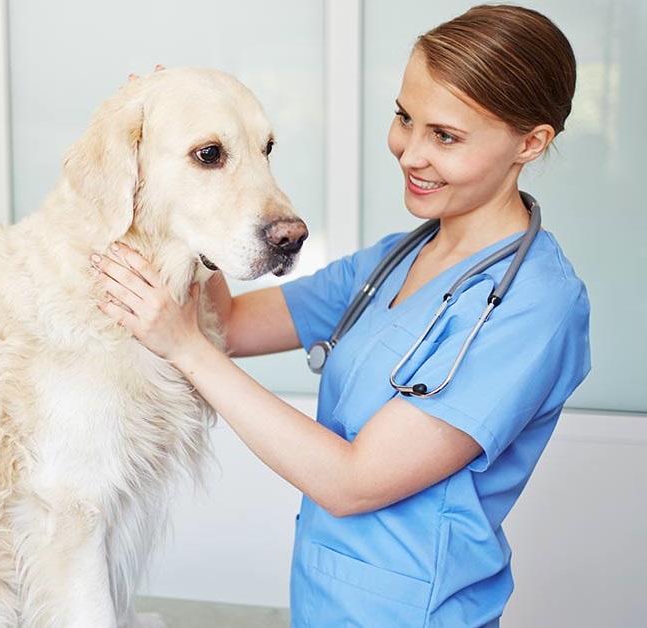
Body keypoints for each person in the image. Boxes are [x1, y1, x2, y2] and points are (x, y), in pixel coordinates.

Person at [92, 5, 589, 626]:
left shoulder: (534, 305)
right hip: (322, 602)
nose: (410, 152)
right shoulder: (396, 258)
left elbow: (354, 482)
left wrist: (185, 348)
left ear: (531, 142)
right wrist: (194, 182)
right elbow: (238, 326)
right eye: (405, 118)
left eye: (447, 136)